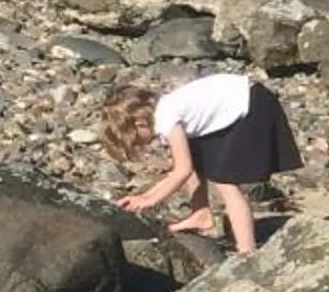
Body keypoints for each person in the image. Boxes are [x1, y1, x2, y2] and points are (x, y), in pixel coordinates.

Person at [103, 71, 301, 256]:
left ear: (140, 123)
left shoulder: (166, 118)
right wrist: (143, 196)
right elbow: (186, 168)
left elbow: (182, 170)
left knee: (225, 181)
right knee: (196, 159)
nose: (145, 144)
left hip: (252, 104)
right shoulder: (165, 109)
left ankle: (246, 250)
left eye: (139, 140)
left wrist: (151, 200)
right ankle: (201, 214)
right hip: (237, 102)